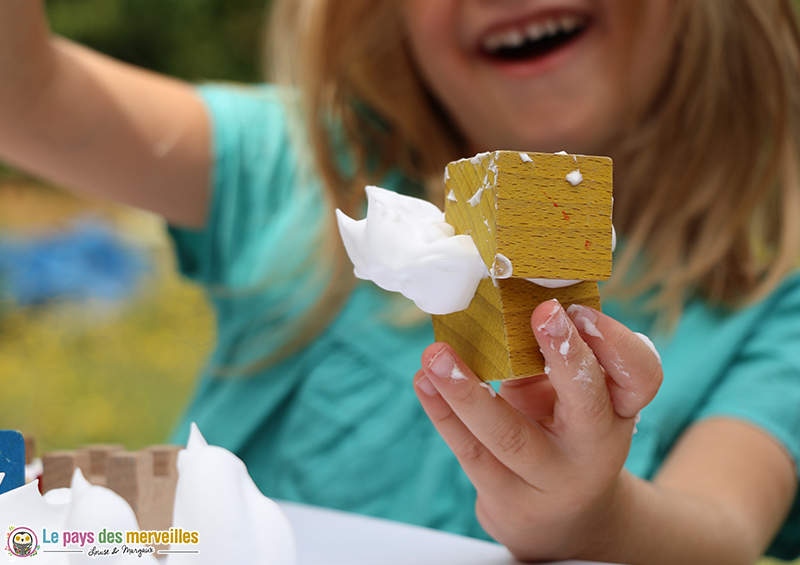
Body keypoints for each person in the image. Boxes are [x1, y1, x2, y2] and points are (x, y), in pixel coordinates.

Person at [1, 0, 799, 562]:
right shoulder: (300, 164)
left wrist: (596, 514)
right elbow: (24, 97)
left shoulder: (777, 289)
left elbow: (722, 529)